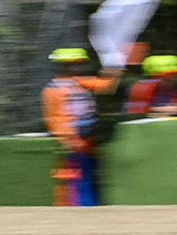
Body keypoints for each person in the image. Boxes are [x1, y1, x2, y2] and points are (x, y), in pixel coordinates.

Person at [42, 46, 127, 206]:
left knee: (91, 174)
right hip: (73, 139)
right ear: (65, 65)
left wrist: (115, 67)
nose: (79, 67)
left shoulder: (80, 82)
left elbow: (106, 86)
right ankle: (80, 206)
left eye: (80, 64)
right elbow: (54, 118)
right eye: (76, 64)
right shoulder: (53, 89)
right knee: (77, 177)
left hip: (87, 139)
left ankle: (92, 205)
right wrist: (67, 137)